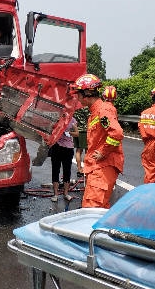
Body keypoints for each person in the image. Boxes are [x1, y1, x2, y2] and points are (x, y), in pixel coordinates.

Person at [73, 74, 124, 209]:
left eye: (78, 94)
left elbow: (117, 133)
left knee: (92, 208)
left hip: (103, 165)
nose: (76, 97)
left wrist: (103, 152)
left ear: (87, 93)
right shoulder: (95, 112)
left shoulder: (103, 110)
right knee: (98, 209)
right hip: (97, 166)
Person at [49, 117, 78, 203]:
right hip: (56, 147)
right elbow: (50, 129)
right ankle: (55, 194)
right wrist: (56, 129)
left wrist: (69, 133)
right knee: (55, 170)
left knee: (67, 171)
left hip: (68, 149)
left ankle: (66, 193)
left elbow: (77, 133)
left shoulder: (72, 120)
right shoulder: (57, 118)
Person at [73, 105, 89, 179]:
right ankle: (86, 169)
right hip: (84, 130)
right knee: (87, 150)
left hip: (76, 129)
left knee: (78, 150)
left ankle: (79, 169)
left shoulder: (75, 106)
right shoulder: (85, 107)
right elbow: (89, 117)